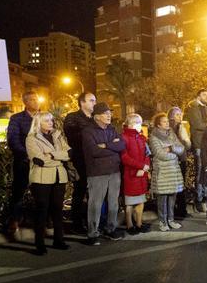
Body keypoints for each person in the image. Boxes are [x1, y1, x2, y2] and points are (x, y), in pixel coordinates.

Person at [26, 112, 71, 255]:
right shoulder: (31, 139)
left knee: (58, 209)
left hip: (59, 177)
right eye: (47, 121)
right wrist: (59, 156)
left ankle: (59, 240)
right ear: (38, 123)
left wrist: (51, 155)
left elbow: (69, 154)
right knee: (42, 210)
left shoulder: (57, 135)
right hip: (41, 178)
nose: (51, 123)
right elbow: (39, 160)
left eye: (51, 120)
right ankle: (39, 244)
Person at [82, 102, 126, 244]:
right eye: (106, 114)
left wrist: (106, 145)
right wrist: (113, 147)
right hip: (97, 173)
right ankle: (92, 233)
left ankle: (110, 229)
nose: (109, 115)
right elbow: (94, 151)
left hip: (114, 171)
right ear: (97, 117)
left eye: (109, 113)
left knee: (113, 203)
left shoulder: (112, 129)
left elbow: (121, 145)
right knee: (95, 204)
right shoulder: (88, 131)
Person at [5, 91, 40, 234]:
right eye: (32, 99)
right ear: (25, 102)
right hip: (24, 162)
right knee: (18, 192)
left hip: (42, 162)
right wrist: (28, 154)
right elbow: (13, 140)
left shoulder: (44, 117)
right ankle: (14, 220)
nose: (36, 102)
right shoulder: (17, 119)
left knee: (41, 193)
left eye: (36, 99)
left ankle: (41, 220)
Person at [62, 92, 96, 233]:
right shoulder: (72, 117)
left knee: (94, 193)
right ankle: (77, 223)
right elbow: (73, 137)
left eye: (95, 100)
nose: (94, 103)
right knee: (80, 191)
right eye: (91, 100)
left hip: (95, 159)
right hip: (80, 160)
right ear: (82, 102)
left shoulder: (96, 118)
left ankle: (93, 221)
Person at [149, 112, 186, 231]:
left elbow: (181, 148)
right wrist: (174, 155)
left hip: (173, 171)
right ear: (158, 125)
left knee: (172, 197)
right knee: (162, 198)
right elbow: (159, 154)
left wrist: (171, 149)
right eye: (164, 122)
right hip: (163, 172)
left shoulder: (171, 134)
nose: (167, 123)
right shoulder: (153, 137)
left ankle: (171, 220)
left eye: (167, 121)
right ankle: (162, 221)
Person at [121, 113, 152, 234]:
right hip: (131, 174)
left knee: (141, 200)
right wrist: (141, 166)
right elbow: (124, 158)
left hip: (141, 173)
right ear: (132, 124)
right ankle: (129, 225)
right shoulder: (124, 138)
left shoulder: (141, 137)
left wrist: (145, 167)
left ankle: (139, 224)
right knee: (129, 202)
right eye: (139, 123)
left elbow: (147, 154)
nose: (141, 125)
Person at [186, 89, 207, 212]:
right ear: (198, 96)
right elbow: (197, 124)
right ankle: (198, 198)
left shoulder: (206, 107)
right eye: (204, 95)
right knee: (200, 172)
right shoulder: (194, 107)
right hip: (199, 144)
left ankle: (206, 196)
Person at [168, 106, 192, 218]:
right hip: (173, 160)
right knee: (174, 185)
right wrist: (184, 141)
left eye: (180, 114)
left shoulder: (182, 127)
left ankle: (182, 210)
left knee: (181, 184)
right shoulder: (169, 128)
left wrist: (185, 142)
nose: (180, 116)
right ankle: (174, 210)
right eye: (177, 114)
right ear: (171, 116)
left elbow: (187, 144)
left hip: (181, 159)